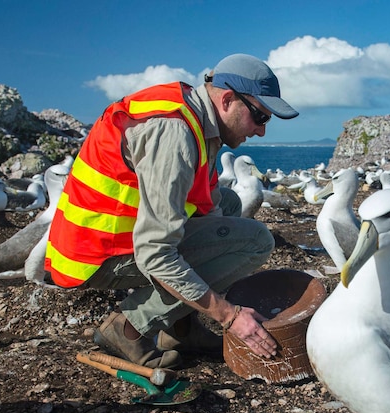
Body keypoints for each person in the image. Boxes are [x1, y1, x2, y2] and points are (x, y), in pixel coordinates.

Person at [44, 54, 298, 369]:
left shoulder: (198, 116)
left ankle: (181, 327)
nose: (261, 132)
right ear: (228, 100)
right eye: (259, 117)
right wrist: (228, 315)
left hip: (114, 236)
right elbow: (155, 253)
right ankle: (128, 328)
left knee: (230, 205)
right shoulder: (174, 134)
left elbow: (208, 205)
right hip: (97, 255)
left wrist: (213, 272)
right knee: (256, 242)